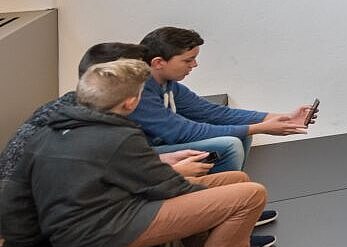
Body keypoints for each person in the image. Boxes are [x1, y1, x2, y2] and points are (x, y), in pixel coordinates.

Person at [1, 59, 290, 247]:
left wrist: (17, 239)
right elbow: (170, 188)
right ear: (130, 102)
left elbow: (16, 194)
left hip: (105, 215)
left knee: (234, 180)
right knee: (250, 194)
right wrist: (190, 179)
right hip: (103, 232)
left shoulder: (49, 131)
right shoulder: (117, 137)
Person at [2, 42, 218, 194]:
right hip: (41, 221)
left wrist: (161, 161)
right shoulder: (75, 125)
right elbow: (81, 185)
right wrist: (172, 171)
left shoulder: (82, 111)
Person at [132, 26, 310, 175]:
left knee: (242, 136)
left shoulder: (168, 84)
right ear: (158, 63)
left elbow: (212, 112)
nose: (194, 65)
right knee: (229, 143)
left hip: (160, 146)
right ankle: (222, 206)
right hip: (139, 157)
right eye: (188, 60)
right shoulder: (139, 91)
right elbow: (183, 132)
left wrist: (282, 118)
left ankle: (235, 197)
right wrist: (261, 127)